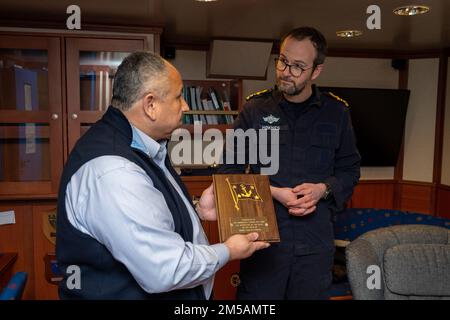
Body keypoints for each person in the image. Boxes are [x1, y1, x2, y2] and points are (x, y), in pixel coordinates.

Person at [55, 51, 270, 300]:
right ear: (151, 105)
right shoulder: (115, 172)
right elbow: (166, 269)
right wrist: (228, 251)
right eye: (179, 97)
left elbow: (148, 214)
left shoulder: (139, 144)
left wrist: (197, 209)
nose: (186, 106)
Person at [218, 26, 361, 299]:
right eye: (283, 61)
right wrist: (274, 193)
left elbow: (349, 170)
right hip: (263, 246)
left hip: (315, 247)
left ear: (316, 71)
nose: (286, 71)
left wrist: (323, 189)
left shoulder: (337, 112)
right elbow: (229, 174)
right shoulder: (255, 110)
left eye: (298, 66)